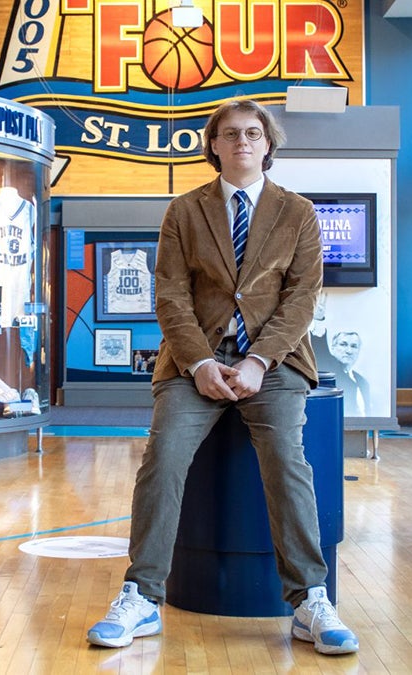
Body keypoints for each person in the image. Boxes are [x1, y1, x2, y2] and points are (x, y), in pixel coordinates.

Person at [86, 99, 358, 656]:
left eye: (252, 133)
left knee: (287, 458)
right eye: (230, 134)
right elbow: (170, 296)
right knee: (162, 456)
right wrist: (202, 363)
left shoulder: (298, 212)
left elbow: (302, 300)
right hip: (195, 363)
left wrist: (258, 361)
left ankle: (310, 598)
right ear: (213, 145)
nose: (241, 142)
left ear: (268, 144)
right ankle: (141, 595)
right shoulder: (184, 211)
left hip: (275, 364)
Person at [320, 331, 370, 417]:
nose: (349, 351)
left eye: (354, 346)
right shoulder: (325, 379)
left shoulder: (363, 382)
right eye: (343, 344)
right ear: (333, 348)